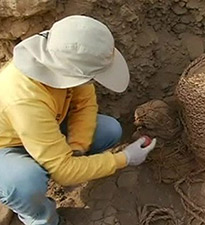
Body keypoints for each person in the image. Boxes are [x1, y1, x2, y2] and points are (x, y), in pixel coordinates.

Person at [0, 15, 156, 225]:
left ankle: (65, 163)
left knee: (109, 130)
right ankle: (41, 218)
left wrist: (78, 147)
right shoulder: (23, 98)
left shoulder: (66, 57)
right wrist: (124, 158)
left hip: (45, 127)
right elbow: (63, 173)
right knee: (25, 182)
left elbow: (84, 104)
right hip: (7, 147)